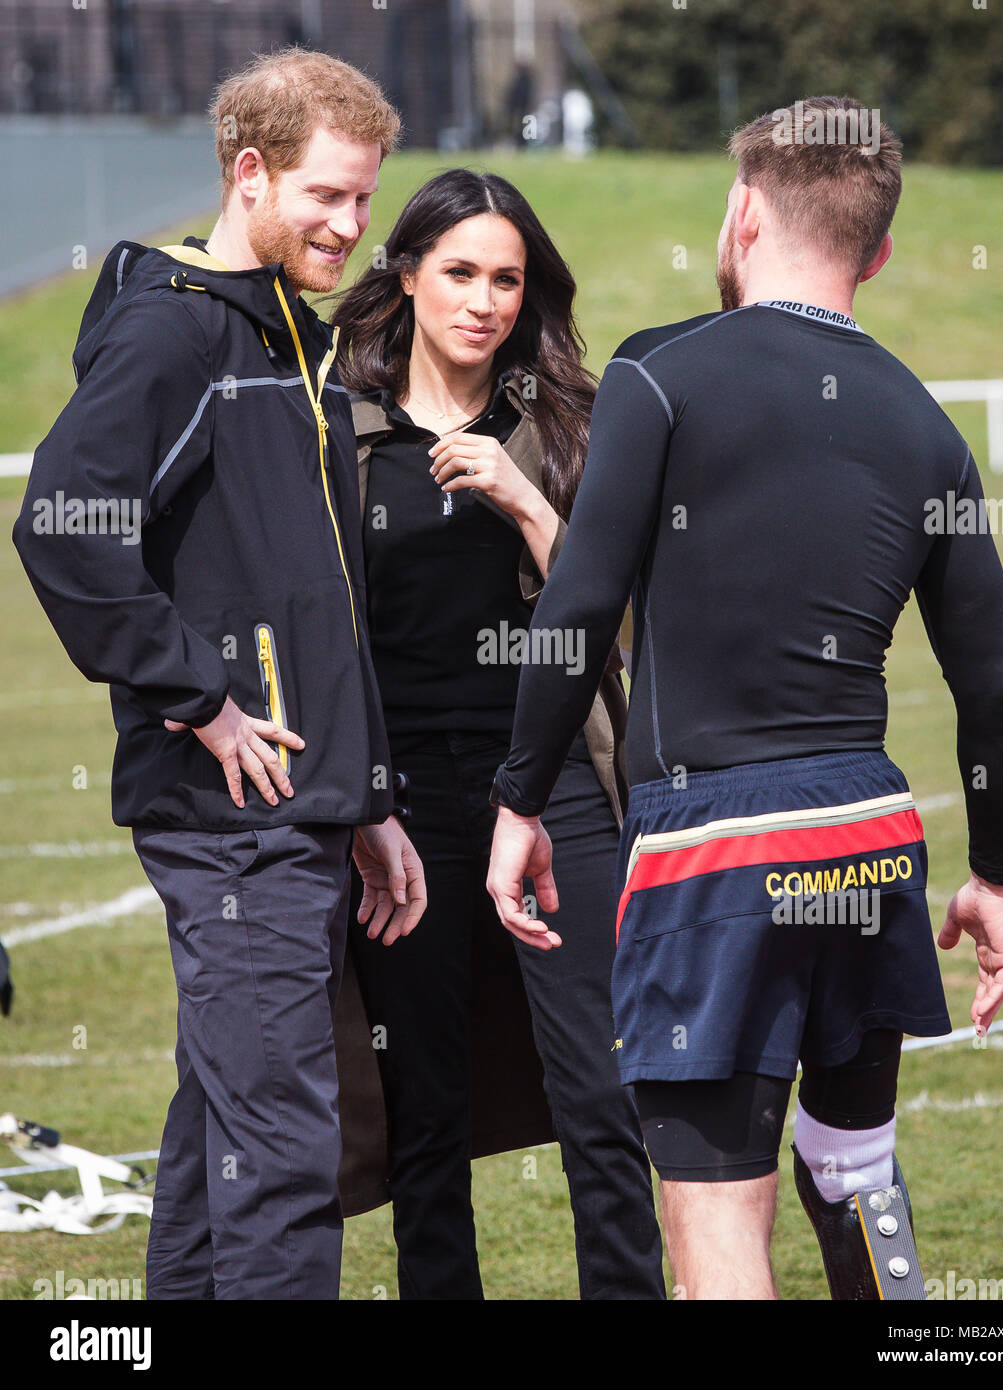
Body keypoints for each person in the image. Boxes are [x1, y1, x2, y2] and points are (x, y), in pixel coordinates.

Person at [487, 95, 1003, 1300]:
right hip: (867, 833)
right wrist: (992, 875)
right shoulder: (927, 425)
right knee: (854, 1172)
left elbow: (577, 606)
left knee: (716, 1226)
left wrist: (519, 797)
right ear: (876, 252)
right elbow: (991, 686)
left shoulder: (661, 375)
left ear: (740, 215)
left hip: (714, 848)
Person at [12, 47, 426, 1300]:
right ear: (250, 175)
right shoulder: (173, 330)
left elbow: (311, 599)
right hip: (230, 820)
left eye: (365, 200)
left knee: (219, 1148)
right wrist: (196, 697)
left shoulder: (283, 335)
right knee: (288, 1154)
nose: (352, 227)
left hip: (297, 807)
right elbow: (63, 523)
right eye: (329, 197)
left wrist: (363, 798)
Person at [329, 169, 665, 1299]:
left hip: (556, 786)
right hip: (401, 806)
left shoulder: (567, 419)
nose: (484, 300)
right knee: (426, 1107)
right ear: (409, 273)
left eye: (507, 279)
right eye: (461, 272)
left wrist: (525, 501)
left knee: (600, 1099)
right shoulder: (338, 429)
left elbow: (613, 620)